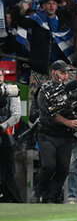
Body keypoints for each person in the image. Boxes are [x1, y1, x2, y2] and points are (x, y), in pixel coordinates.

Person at [29, 60, 77, 203]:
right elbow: (47, 114)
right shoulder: (44, 90)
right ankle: (37, 191)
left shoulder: (71, 89)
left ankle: (50, 196)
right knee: (49, 165)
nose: (65, 76)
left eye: (67, 73)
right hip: (47, 134)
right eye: (62, 73)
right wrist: (68, 121)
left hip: (65, 136)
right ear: (53, 72)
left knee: (64, 169)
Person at [0, 69, 21, 202]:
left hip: (6, 136)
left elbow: (16, 115)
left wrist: (3, 125)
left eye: (0, 75)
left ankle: (15, 201)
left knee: (9, 173)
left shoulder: (11, 90)